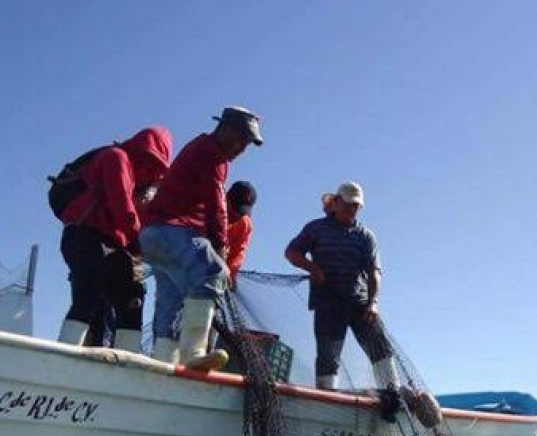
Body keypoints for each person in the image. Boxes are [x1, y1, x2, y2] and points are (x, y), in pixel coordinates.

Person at [139, 107, 263, 369]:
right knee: (213, 272)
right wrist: (219, 248)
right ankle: (194, 353)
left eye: (248, 144)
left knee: (170, 300)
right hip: (172, 229)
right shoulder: (212, 154)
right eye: (242, 139)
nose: (242, 149)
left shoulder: (198, 147)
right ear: (226, 130)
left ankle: (164, 362)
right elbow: (216, 203)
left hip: (153, 235)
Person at [57, 126, 173, 351]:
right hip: (85, 235)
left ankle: (125, 362)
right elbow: (122, 206)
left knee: (132, 297)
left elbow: (140, 216)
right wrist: (142, 244)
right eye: (149, 160)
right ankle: (64, 354)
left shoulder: (144, 186)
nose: (151, 170)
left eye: (157, 167)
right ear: (140, 149)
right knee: (87, 295)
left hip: (118, 244)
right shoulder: (115, 158)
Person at [284, 181, 400, 392]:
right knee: (328, 356)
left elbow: (375, 271)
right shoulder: (316, 228)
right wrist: (313, 268)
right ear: (336, 202)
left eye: (356, 206)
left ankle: (392, 393)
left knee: (380, 348)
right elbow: (292, 252)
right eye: (348, 204)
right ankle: (327, 395)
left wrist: (373, 303)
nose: (352, 210)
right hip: (327, 302)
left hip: (360, 303)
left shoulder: (365, 236)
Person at [225, 181, 257, 287]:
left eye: (242, 212)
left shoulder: (245, 225)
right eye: (235, 209)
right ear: (226, 199)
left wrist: (230, 274)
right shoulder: (208, 206)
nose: (237, 215)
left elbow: (237, 254)